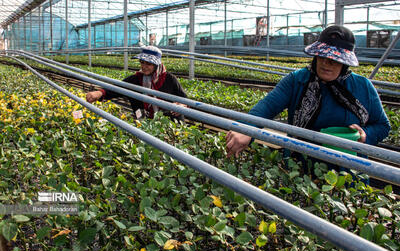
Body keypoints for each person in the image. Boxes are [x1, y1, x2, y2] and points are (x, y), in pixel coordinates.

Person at [226, 25, 390, 164]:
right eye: (323, 57)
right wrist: (246, 128)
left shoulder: (362, 87)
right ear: (316, 56)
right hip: (300, 166)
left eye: (335, 59)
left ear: (345, 63)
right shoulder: (297, 80)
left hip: (347, 168)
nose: (327, 63)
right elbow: (267, 107)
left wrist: (364, 136)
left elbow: (382, 126)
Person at [86, 46, 187, 120]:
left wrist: (181, 106)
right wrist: (99, 93)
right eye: (142, 62)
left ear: (156, 65)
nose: (144, 66)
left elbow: (184, 99)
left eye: (148, 64)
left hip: (170, 123)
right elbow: (118, 88)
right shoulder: (136, 78)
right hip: (145, 121)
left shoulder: (169, 79)